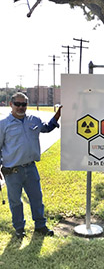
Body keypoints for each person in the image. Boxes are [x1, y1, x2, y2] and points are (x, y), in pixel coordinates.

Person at [0, 92, 62, 239]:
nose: (21, 107)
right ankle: (19, 229)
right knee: (15, 201)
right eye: (18, 104)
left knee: (36, 198)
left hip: (31, 167)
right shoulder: (3, 125)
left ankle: (40, 226)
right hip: (12, 171)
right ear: (11, 104)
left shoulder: (34, 120)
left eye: (24, 104)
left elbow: (47, 128)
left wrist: (58, 115)